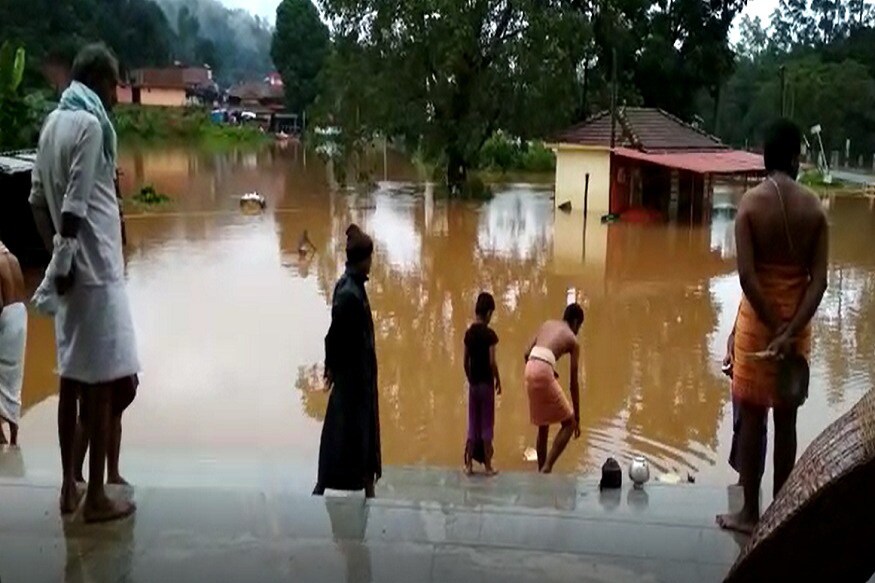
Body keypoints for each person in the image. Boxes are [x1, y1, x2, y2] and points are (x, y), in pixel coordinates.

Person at [29, 43, 140, 522]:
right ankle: (95, 494)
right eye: (114, 85)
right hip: (95, 276)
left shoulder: (53, 123)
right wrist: (71, 253)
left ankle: (67, 488)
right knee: (102, 385)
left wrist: (56, 255)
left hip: (70, 275)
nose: (116, 95)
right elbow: (75, 202)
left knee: (71, 382)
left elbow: (37, 201)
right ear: (98, 81)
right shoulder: (91, 125)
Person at [717, 118, 829, 535]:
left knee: (751, 414)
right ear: (798, 157)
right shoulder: (815, 209)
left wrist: (772, 325)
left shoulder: (750, 205)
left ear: (765, 156)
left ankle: (748, 513)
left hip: (757, 326)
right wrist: (791, 327)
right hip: (798, 324)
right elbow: (819, 281)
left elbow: (747, 276)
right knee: (787, 420)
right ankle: (781, 513)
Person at [313, 224, 381, 498]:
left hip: (358, 377)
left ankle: (362, 488)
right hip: (353, 380)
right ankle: (334, 486)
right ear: (363, 259)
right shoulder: (348, 293)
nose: (371, 263)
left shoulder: (351, 287)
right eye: (370, 258)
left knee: (350, 436)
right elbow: (335, 336)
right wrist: (332, 369)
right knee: (349, 437)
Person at [524, 303, 585, 474]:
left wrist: (539, 370)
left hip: (529, 368)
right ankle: (547, 467)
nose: (577, 331)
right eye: (579, 326)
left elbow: (526, 353)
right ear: (574, 322)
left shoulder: (547, 324)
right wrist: (577, 417)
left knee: (543, 425)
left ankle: (540, 471)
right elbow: (573, 382)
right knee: (569, 423)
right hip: (543, 370)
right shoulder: (573, 340)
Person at [463, 292, 502, 476]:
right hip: (486, 385)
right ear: (487, 313)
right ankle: (488, 467)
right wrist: (498, 380)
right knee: (487, 425)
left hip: (473, 385)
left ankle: (469, 466)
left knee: (472, 424)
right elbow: (492, 362)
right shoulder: (490, 335)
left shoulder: (469, 334)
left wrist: (470, 378)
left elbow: (465, 361)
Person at [723, 323, 766, 485]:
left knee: (755, 428)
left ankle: (752, 483)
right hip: (739, 376)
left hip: (754, 378)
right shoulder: (744, 306)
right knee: (740, 427)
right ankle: (744, 480)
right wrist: (729, 354)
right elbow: (733, 334)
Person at [0, 242, 27, 447]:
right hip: (21, 317)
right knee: (13, 379)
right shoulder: (13, 259)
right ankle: (15, 435)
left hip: (7, 317)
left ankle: (0, 436)